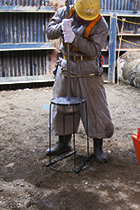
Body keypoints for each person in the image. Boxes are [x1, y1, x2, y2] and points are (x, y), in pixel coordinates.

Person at [46, 0, 114, 163]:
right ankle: (63, 143)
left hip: (88, 68)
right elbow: (50, 33)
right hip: (66, 65)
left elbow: (95, 49)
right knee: (63, 103)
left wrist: (74, 38)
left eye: (87, 18)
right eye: (82, 17)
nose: (84, 20)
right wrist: (61, 27)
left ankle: (98, 148)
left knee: (95, 108)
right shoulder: (65, 13)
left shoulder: (100, 24)